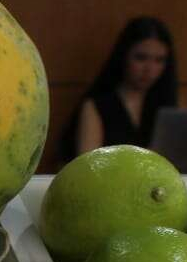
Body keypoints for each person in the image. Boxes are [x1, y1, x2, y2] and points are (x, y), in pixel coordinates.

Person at [60, 17, 178, 160]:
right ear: (124, 56)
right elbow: (88, 164)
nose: (149, 69)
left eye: (159, 60)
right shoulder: (96, 106)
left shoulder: (170, 103)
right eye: (141, 58)